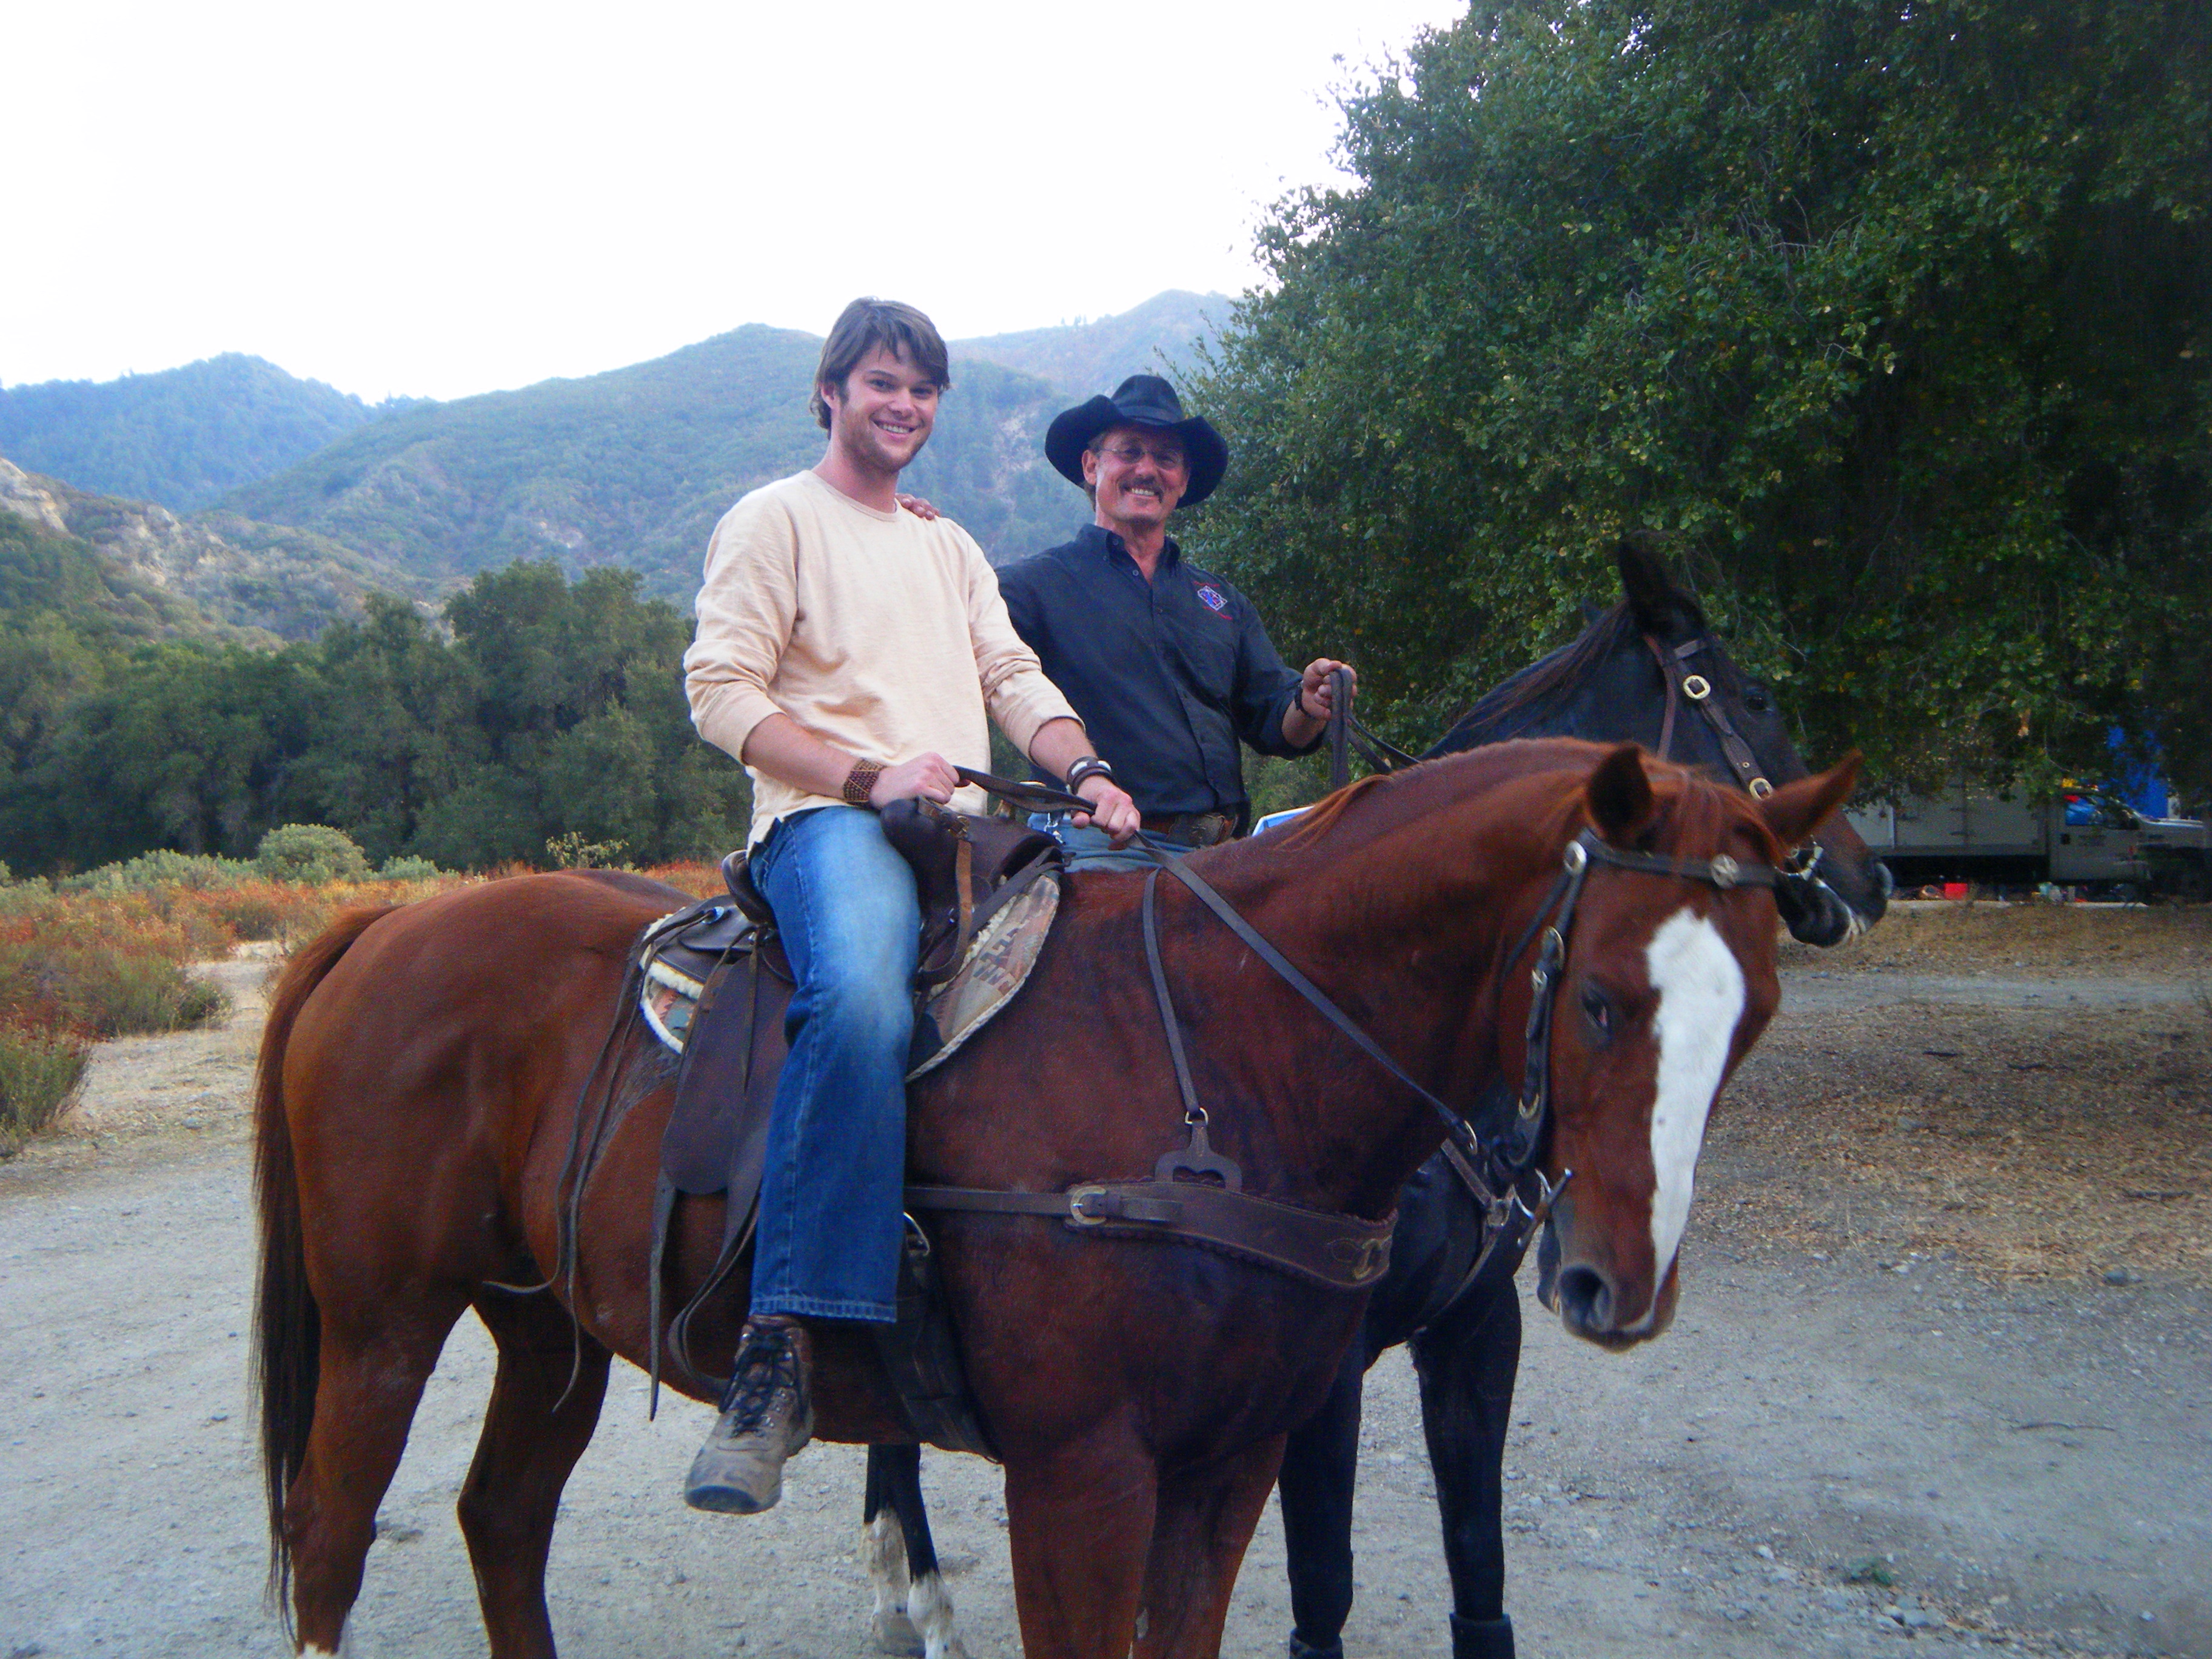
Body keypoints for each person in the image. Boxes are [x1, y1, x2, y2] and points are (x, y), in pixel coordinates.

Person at [679, 298, 1137, 1515]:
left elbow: (1010, 675)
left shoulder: (947, 546)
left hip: (957, 825)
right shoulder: (774, 518)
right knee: (867, 998)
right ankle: (777, 1354)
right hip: (827, 821)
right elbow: (720, 692)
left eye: (924, 390)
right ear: (831, 391)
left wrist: (1086, 771)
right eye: (883, 382)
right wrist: (865, 775)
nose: (905, 406)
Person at [994, 375, 1354, 866]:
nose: (1147, 469)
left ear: (1182, 481)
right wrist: (908, 523)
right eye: (1130, 451)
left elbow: (1275, 724)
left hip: (1227, 857)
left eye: (1166, 458)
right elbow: (965, 645)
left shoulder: (1221, 601)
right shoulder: (1031, 588)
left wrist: (1310, 704)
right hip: (1106, 851)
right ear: (1091, 465)